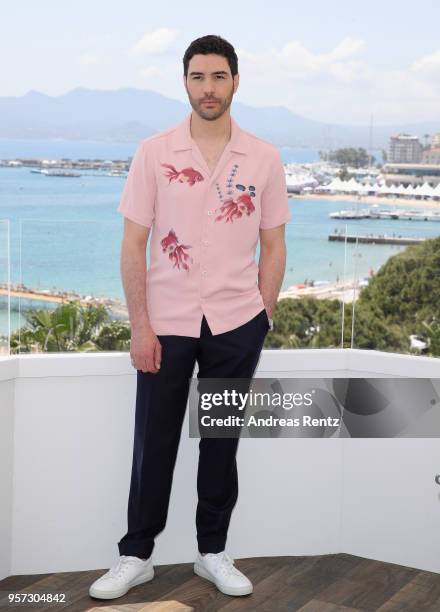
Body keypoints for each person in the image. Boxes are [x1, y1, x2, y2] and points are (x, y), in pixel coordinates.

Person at [89, 34, 290, 601]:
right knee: (153, 443)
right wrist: (140, 326)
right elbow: (134, 246)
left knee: (220, 442)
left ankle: (213, 552)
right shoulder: (154, 153)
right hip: (167, 321)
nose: (209, 87)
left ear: (235, 81)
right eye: (198, 77)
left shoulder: (265, 157)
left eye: (219, 76)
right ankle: (135, 555)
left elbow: (273, 246)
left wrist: (263, 316)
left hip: (236, 324)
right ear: (185, 82)